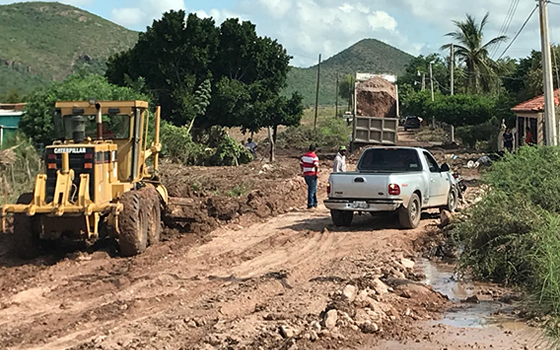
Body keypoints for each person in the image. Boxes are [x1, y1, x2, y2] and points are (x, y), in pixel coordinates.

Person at [301, 144, 319, 209]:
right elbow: (316, 165)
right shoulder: (314, 157)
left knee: (313, 188)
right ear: (315, 149)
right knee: (311, 189)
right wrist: (316, 173)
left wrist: (303, 171)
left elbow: (301, 163)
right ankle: (310, 204)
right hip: (312, 174)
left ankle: (315, 202)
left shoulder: (304, 156)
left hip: (306, 174)